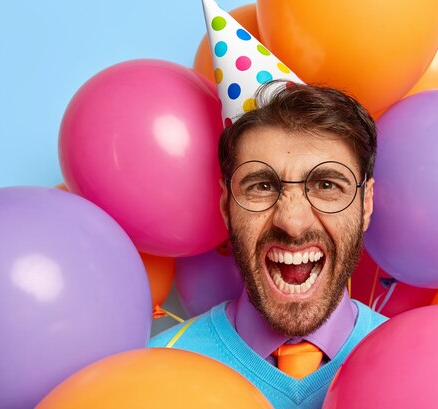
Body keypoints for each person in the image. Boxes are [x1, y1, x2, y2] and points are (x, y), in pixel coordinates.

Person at [149, 81, 386, 408]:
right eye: (261, 185)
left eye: (326, 184)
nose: (292, 222)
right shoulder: (152, 375)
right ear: (226, 207)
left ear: (366, 204)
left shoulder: (423, 365)